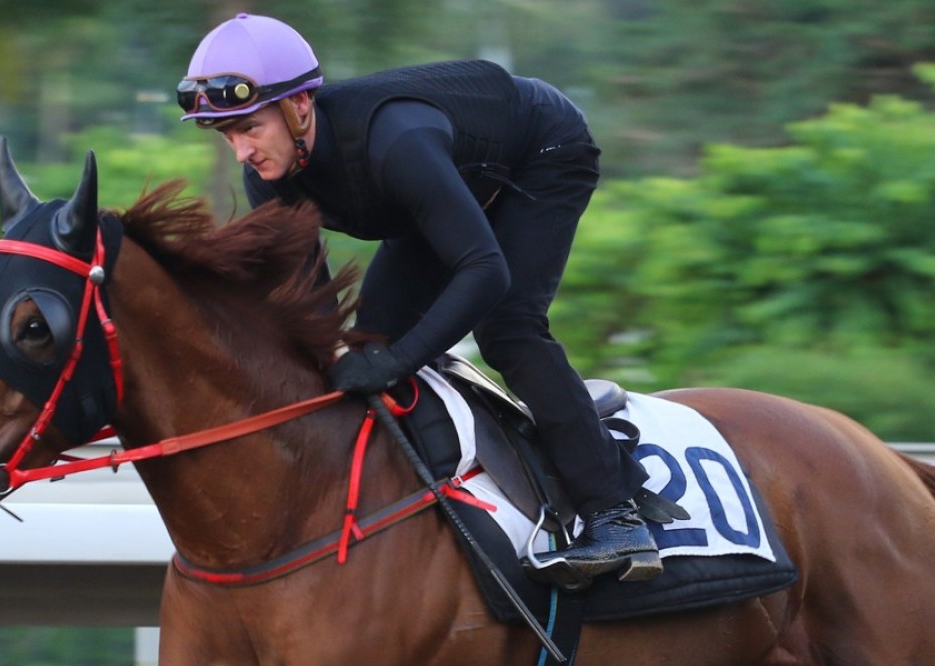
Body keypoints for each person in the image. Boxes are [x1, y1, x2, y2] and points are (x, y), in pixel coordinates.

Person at [177, 13, 661, 584]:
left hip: (540, 152)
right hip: (446, 180)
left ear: (300, 106)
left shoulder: (395, 143)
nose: (240, 153)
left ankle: (616, 517)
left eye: (249, 128)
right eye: (227, 135)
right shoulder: (272, 177)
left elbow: (486, 271)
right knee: (369, 344)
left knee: (508, 330)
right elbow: (320, 321)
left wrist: (399, 361)